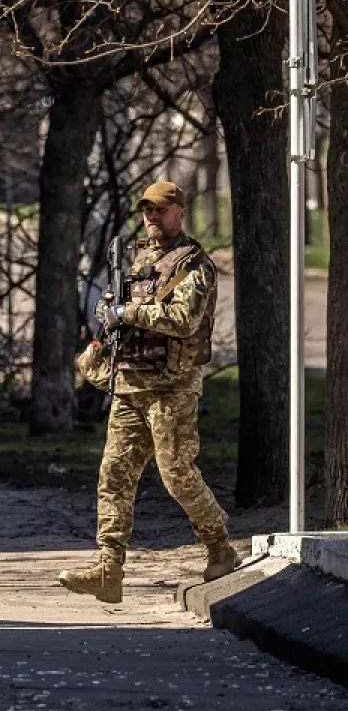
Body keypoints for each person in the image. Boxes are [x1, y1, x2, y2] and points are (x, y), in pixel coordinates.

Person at [62, 180, 236, 604]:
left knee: (177, 474)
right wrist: (109, 316)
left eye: (160, 209)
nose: (151, 217)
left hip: (171, 389)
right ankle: (109, 568)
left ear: (179, 212)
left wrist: (129, 312)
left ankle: (220, 547)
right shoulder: (136, 258)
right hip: (129, 385)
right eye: (146, 210)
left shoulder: (195, 265)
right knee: (113, 477)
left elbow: (183, 319)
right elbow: (115, 308)